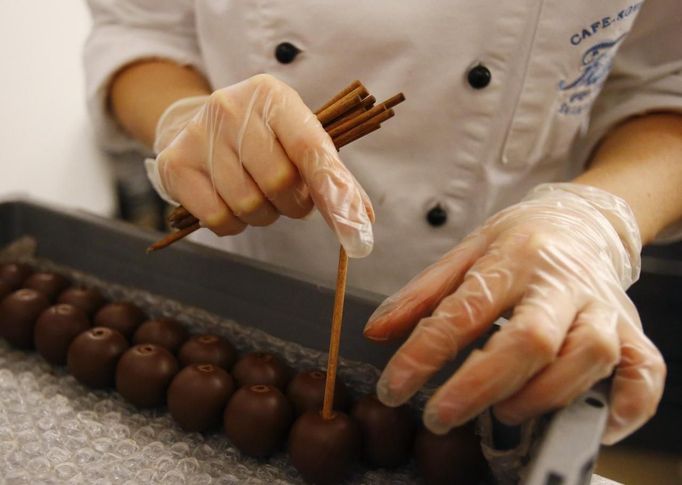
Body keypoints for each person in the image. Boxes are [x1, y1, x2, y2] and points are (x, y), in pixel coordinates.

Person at [84, 0, 681, 446]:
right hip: (239, 265)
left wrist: (594, 219)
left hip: (510, 292)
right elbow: (140, 25)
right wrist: (184, 120)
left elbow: (666, 82)